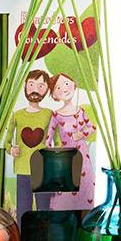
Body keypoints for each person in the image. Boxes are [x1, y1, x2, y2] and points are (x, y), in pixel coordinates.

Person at [4, 69, 54, 224]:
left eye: (41, 86)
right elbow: (7, 142)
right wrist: (11, 149)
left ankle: (43, 235)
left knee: (44, 209)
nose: (35, 89)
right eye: (31, 84)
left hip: (44, 169)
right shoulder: (17, 114)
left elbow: (57, 141)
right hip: (22, 169)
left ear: (47, 90)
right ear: (25, 86)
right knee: (23, 209)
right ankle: (22, 235)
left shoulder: (49, 114)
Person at [44, 72, 96, 210]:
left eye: (66, 83)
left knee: (86, 185)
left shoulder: (81, 111)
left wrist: (82, 134)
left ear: (73, 84)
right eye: (58, 87)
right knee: (65, 191)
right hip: (66, 156)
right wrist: (52, 154)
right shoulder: (56, 115)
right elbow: (48, 138)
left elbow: (92, 127)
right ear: (54, 95)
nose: (64, 89)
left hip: (83, 156)